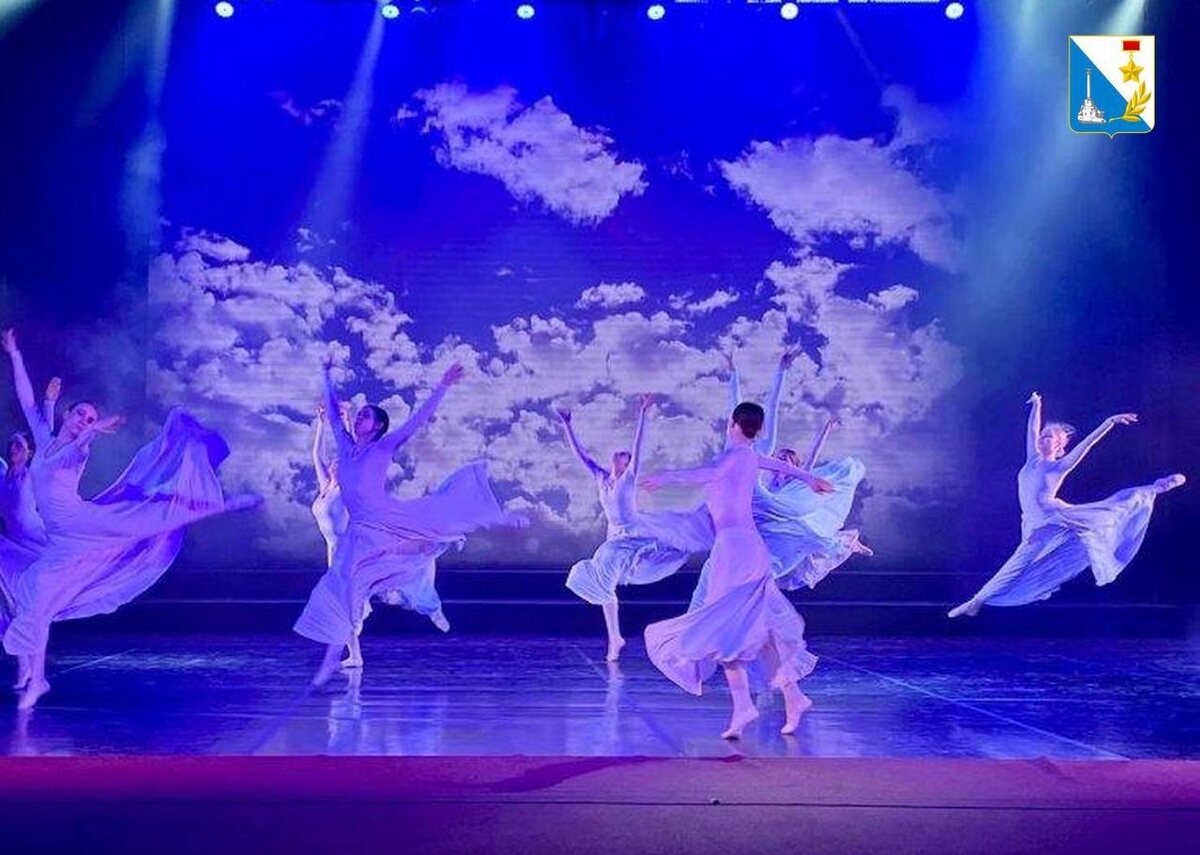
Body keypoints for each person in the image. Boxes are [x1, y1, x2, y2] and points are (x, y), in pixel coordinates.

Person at [1, 328, 259, 709]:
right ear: (68, 413)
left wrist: (92, 431)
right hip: (60, 540)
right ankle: (36, 680)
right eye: (81, 414)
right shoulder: (45, 437)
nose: (85, 420)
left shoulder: (78, 451)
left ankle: (221, 505)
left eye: (91, 417)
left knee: (147, 519)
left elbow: (76, 448)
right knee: (36, 601)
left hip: (84, 523)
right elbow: (28, 402)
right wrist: (15, 354)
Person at [294, 358, 529, 688]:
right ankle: (335, 659)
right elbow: (333, 413)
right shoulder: (345, 448)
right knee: (344, 589)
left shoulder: (384, 447)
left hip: (388, 517)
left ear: (377, 426)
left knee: (443, 515)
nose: (359, 417)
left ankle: (500, 518)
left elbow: (418, 420)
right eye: (359, 414)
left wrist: (443, 386)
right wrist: (326, 374)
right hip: (361, 531)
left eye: (365, 416)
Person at [641, 401, 834, 739]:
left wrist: (664, 477)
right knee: (757, 629)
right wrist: (811, 479)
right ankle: (793, 696)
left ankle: (745, 705)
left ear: (732, 424)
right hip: (747, 548)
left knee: (724, 628)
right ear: (758, 429)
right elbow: (782, 467)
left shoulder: (733, 457)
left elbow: (706, 474)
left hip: (734, 550)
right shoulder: (749, 457)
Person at [949, 392, 1185, 618]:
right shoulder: (1032, 460)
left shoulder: (1060, 466)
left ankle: (975, 602)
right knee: (1026, 564)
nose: (1042, 439)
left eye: (1049, 437)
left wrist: (1109, 422)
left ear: (1059, 445)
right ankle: (1008, 594)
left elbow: (1088, 444)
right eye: (1043, 436)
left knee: (1111, 510)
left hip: (1051, 518)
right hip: (1032, 522)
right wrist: (1037, 405)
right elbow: (1031, 429)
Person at [559, 395, 713, 662]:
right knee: (606, 579)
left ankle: (616, 637)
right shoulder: (601, 478)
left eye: (624, 455)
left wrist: (643, 412)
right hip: (615, 536)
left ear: (627, 463)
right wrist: (567, 425)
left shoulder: (628, 478)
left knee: (664, 554)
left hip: (634, 532)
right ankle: (615, 637)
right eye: (619, 453)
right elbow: (581, 455)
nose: (619, 454)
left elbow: (638, 445)